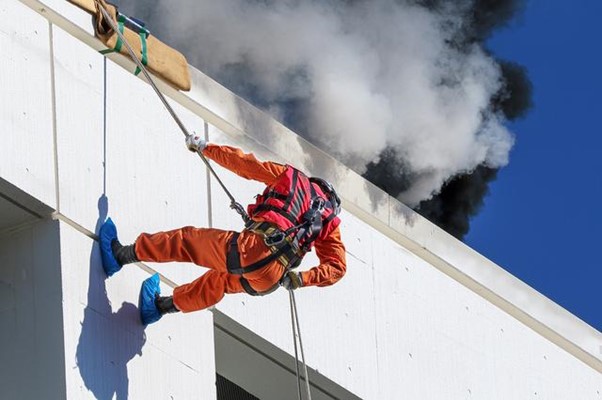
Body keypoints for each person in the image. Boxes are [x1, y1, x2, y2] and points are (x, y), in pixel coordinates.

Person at [99, 135, 346, 325]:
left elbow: (245, 165)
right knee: (217, 281)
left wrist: (205, 147)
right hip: (271, 278)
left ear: (317, 184)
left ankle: (120, 255)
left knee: (186, 241)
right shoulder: (328, 222)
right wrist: (301, 279)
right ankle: (160, 307)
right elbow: (337, 267)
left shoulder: (293, 179)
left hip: (254, 249)